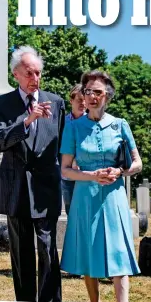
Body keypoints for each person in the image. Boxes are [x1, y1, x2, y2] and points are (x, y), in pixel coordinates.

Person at [60, 70, 143, 302]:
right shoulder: (73, 127)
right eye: (87, 92)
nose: (91, 97)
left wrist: (120, 171)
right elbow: (66, 170)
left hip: (115, 197)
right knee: (89, 257)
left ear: (107, 96)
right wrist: (92, 175)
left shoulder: (121, 125)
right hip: (86, 197)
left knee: (119, 256)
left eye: (97, 92)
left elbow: (137, 163)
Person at [0, 46, 65, 302]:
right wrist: (27, 121)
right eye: (30, 73)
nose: (36, 79)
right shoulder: (2, 104)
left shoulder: (56, 103)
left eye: (39, 73)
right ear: (16, 74)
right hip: (16, 189)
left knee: (47, 250)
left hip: (46, 189)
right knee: (21, 254)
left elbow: (64, 145)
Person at [61, 83, 86, 216]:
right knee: (72, 214)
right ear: (71, 101)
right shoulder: (62, 123)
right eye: (79, 100)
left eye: (84, 100)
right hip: (68, 177)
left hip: (88, 175)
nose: (82, 103)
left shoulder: (92, 121)